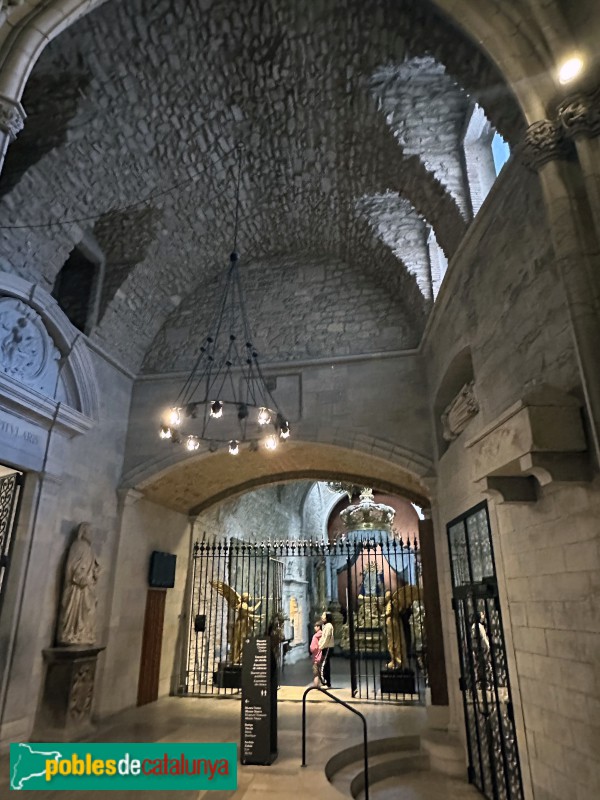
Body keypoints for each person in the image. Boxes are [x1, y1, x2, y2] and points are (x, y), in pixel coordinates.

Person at [318, 611, 335, 688]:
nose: (322, 617)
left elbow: (326, 638)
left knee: (324, 665)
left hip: (327, 647)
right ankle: (326, 682)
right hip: (325, 646)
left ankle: (325, 682)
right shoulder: (325, 625)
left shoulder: (329, 626)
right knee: (325, 665)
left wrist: (321, 646)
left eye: (323, 616)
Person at [309, 621, 323, 687]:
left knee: (315, 673)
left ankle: (316, 685)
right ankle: (320, 684)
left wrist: (311, 650)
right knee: (320, 671)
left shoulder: (315, 636)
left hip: (316, 657)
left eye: (316, 626)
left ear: (318, 627)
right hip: (321, 655)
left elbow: (313, 647)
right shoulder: (323, 635)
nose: (314, 628)